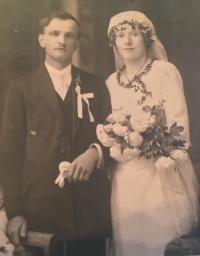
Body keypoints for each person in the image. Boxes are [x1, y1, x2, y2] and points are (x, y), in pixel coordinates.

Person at [0, 11, 111, 256]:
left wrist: (95, 153)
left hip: (88, 213)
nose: (62, 40)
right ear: (42, 39)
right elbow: (10, 155)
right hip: (40, 212)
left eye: (69, 35)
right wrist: (16, 212)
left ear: (76, 43)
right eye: (55, 34)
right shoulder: (21, 89)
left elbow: (113, 137)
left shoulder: (95, 85)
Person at [99, 11, 199, 256]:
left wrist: (152, 142)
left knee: (162, 236)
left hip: (160, 169)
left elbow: (179, 122)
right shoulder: (112, 81)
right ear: (114, 43)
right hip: (126, 174)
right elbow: (112, 122)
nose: (128, 41)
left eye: (134, 34)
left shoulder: (164, 71)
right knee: (133, 239)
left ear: (146, 38)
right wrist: (118, 137)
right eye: (121, 36)